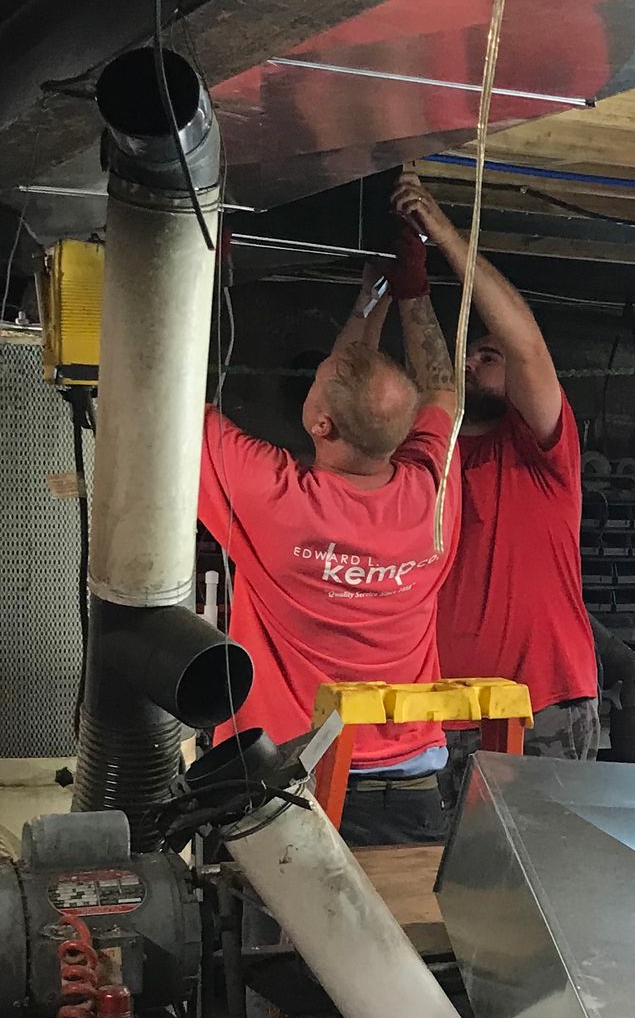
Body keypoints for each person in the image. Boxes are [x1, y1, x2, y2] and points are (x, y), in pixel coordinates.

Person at [197, 247, 460, 845]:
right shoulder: (433, 492)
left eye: (316, 384)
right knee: (397, 941)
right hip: (412, 789)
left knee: (275, 940)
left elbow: (169, 392)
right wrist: (398, 289)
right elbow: (442, 389)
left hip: (292, 789)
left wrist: (199, 258)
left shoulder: (275, 498)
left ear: (319, 427)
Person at [391, 170, 599, 765]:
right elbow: (433, 373)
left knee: (541, 861)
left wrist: (441, 234)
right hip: (441, 705)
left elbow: (526, 345)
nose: (473, 361)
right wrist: (410, 289)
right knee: (440, 859)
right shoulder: (433, 447)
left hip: (544, 702)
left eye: (489, 355)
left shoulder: (541, 448)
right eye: (469, 353)